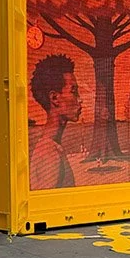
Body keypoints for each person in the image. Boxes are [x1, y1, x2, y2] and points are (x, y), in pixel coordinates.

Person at [29, 54, 82, 190]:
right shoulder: (49, 154)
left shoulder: (51, 148)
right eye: (74, 91)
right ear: (54, 98)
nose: (80, 100)